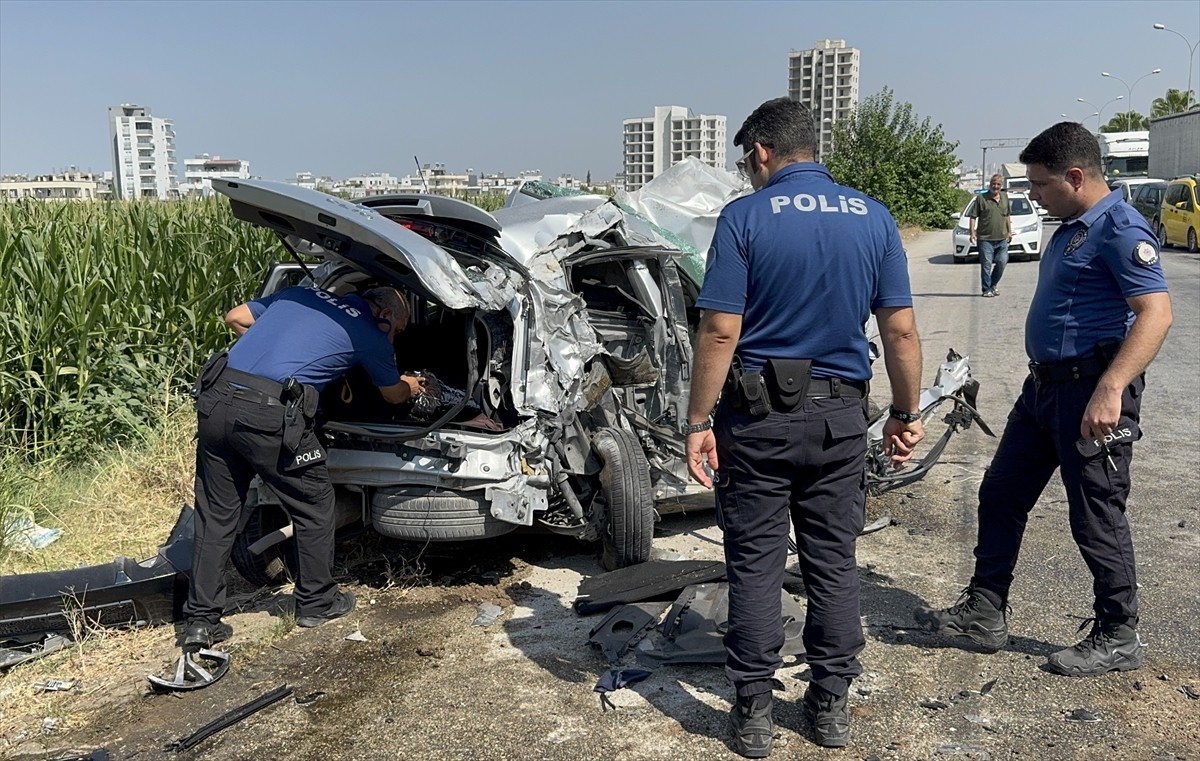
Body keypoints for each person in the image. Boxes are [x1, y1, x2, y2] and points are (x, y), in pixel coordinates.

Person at [685, 97, 926, 756]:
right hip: (839, 420)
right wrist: (905, 413)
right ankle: (830, 705)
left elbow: (720, 329)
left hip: (756, 421)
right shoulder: (874, 217)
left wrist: (698, 420)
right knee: (833, 561)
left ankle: (754, 714)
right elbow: (900, 331)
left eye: (746, 159)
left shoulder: (744, 217)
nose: (747, 169)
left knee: (756, 565)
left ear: (762, 151)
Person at [913, 122, 1172, 677]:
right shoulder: (1074, 227)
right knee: (1001, 493)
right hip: (1043, 391)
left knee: (1096, 512)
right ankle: (985, 611)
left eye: (1039, 184)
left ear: (1075, 177)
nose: (1032, 195)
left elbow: (1156, 313)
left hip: (1091, 392)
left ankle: (1119, 634)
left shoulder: (1121, 230)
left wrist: (1111, 389)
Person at [182, 285, 425, 650]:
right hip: (267, 416)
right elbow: (392, 395)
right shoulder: (368, 334)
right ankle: (317, 602)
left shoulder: (299, 294)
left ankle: (201, 623)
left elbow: (235, 317)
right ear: (386, 315)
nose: (395, 337)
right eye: (399, 330)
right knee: (314, 503)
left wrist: (277, 358)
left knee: (216, 515)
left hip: (215, 398)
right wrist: (412, 385)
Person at [968, 174, 1012, 297]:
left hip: (1002, 238)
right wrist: (972, 233)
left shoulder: (1005, 197)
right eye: (993, 184)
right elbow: (973, 217)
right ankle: (986, 289)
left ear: (1001, 185)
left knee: (1002, 262)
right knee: (986, 265)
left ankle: (993, 284)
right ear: (990, 184)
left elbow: (1007, 215)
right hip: (985, 239)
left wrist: (1009, 231)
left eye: (998, 184)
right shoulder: (981, 198)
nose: (995, 186)